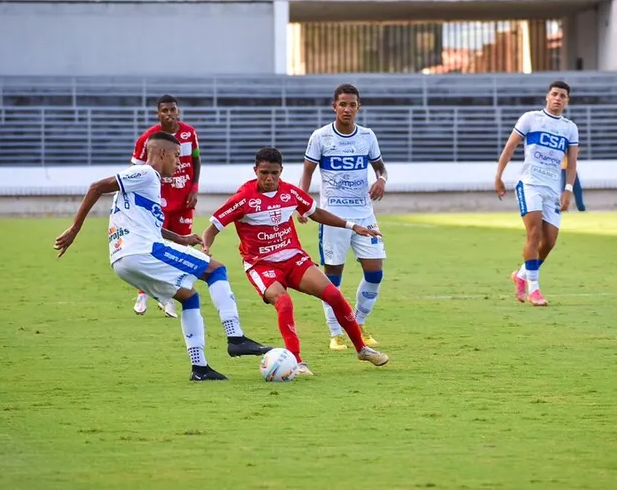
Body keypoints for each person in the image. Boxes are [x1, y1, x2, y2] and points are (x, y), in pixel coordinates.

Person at [54, 133, 272, 381]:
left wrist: (180, 239)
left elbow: (146, 223)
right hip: (143, 250)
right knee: (216, 270)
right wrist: (74, 229)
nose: (179, 164)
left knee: (189, 297)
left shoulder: (147, 185)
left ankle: (200, 369)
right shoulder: (146, 173)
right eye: (177, 156)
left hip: (122, 261)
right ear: (161, 153)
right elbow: (97, 186)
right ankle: (236, 338)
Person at [201, 147, 390, 376]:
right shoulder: (243, 199)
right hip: (261, 264)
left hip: (293, 258)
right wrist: (206, 246)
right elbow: (212, 228)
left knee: (333, 295)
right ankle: (297, 362)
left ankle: (362, 348)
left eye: (274, 173)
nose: (269, 178)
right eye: (263, 173)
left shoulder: (290, 193)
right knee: (284, 302)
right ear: (255, 171)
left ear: (281, 171)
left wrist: (352, 226)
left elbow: (315, 212)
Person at [298, 83, 388, 351]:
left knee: (375, 273)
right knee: (332, 277)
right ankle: (336, 333)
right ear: (334, 106)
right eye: (343, 104)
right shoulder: (321, 137)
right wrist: (302, 203)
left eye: (352, 105)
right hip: (332, 216)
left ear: (358, 108)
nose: (347, 109)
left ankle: (357, 324)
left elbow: (381, 169)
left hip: (364, 214)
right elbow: (307, 172)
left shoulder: (367, 137)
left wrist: (381, 180)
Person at [494, 80, 580, 307]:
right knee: (534, 234)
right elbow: (510, 147)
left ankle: (521, 275)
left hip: (553, 189)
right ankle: (535, 289)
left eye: (563, 95)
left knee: (549, 241)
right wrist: (498, 175)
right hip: (530, 184)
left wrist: (568, 190)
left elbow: (572, 163)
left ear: (567, 101)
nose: (558, 98)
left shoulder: (569, 128)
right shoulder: (530, 118)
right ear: (547, 96)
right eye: (555, 94)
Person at [130, 94, 200, 319]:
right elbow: (135, 169)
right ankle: (143, 293)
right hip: (157, 200)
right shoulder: (147, 139)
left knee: (180, 249)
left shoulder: (189, 133)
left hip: (183, 200)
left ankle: (169, 297)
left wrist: (194, 188)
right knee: (153, 244)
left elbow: (196, 160)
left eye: (173, 109)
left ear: (178, 111)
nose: (169, 114)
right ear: (158, 114)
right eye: (165, 110)